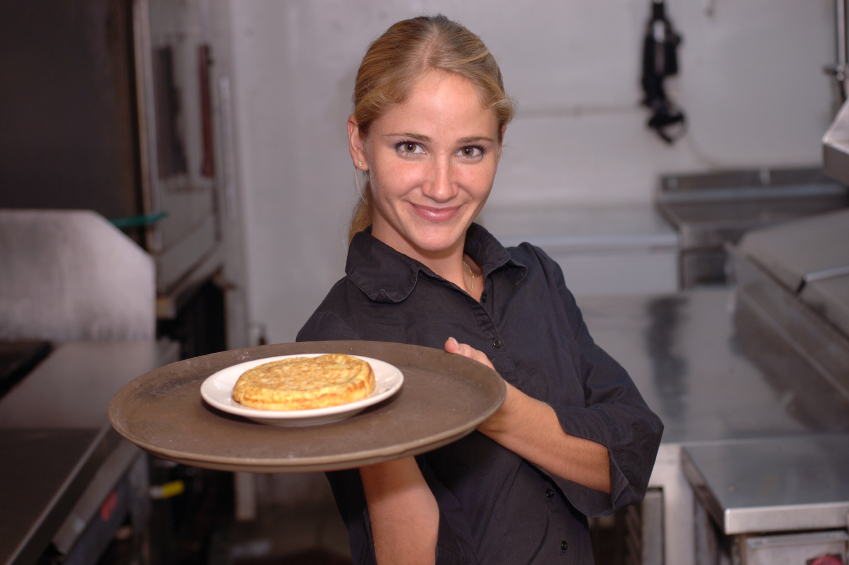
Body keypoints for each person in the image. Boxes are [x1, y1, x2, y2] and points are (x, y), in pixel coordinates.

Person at [297, 14, 663, 565]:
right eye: (411, 147)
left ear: (499, 145)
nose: (442, 186)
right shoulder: (339, 345)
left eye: (469, 150)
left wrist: (503, 413)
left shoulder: (534, 278)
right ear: (359, 143)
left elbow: (632, 451)